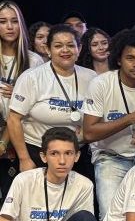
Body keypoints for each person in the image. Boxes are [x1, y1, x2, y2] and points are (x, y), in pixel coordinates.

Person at [83, 29, 135, 221]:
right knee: (110, 218)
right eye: (130, 58)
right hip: (110, 156)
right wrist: (131, 118)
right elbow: (89, 133)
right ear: (119, 60)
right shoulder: (101, 84)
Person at [6, 24, 96, 175]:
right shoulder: (31, 77)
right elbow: (13, 119)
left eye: (70, 45)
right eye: (58, 46)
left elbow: (98, 117)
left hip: (77, 152)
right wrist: (24, 159)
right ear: (48, 50)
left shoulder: (92, 77)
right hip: (37, 152)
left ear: (79, 49)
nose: (65, 50)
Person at [0, 1, 44, 197]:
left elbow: (39, 103)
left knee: (19, 198)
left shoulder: (34, 60)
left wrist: (20, 94)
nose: (9, 27)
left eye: (14, 21)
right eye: (3, 21)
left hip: (23, 138)